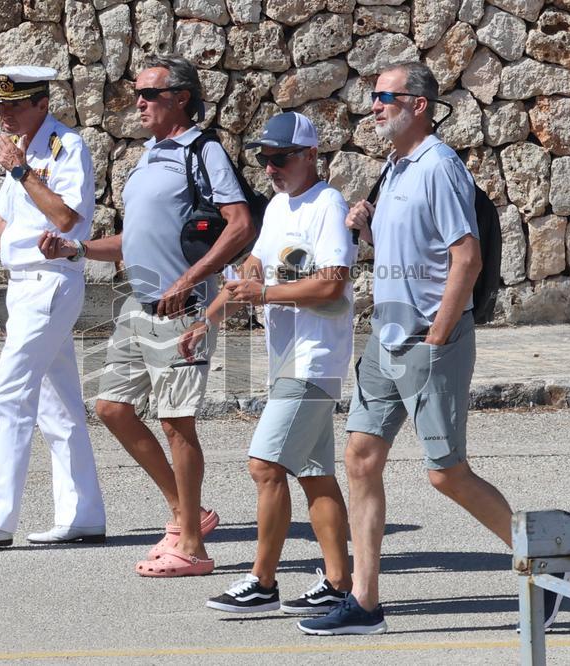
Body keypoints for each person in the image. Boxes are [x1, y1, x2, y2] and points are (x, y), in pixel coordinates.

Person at [298, 61, 568, 636]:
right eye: (372, 96)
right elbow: (410, 247)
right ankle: (366, 603)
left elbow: (464, 256)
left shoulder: (439, 167)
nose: (373, 105)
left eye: (384, 96)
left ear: (418, 105)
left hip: (427, 339)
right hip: (386, 339)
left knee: (446, 474)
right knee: (361, 458)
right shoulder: (395, 168)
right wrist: (364, 226)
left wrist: (439, 335)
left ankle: (543, 569)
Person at [39, 54, 254, 577]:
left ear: (181, 96)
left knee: (177, 424)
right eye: (137, 93)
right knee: (112, 408)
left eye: (150, 93)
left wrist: (188, 279)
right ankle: (188, 514)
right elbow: (133, 241)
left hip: (184, 307)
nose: (138, 102)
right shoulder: (149, 156)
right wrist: (77, 250)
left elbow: (241, 223)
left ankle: (193, 550)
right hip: (138, 305)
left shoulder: (202, 152)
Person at [180, 112, 355, 615]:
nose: (270, 168)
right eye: (264, 159)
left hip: (314, 359)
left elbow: (331, 284)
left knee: (265, 465)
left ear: (310, 156)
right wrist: (207, 322)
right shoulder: (279, 205)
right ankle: (339, 583)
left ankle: (262, 581)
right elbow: (252, 269)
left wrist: (264, 291)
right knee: (315, 473)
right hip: (288, 359)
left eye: (279, 158)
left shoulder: (327, 204)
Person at [0, 66, 106, 548]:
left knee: (9, 396)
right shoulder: (26, 154)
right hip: (24, 285)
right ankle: (83, 514)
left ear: (41, 104)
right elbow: (4, 221)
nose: (3, 114)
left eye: (14, 105)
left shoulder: (64, 148)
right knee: (58, 406)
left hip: (51, 282)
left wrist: (19, 169)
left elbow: (67, 218)